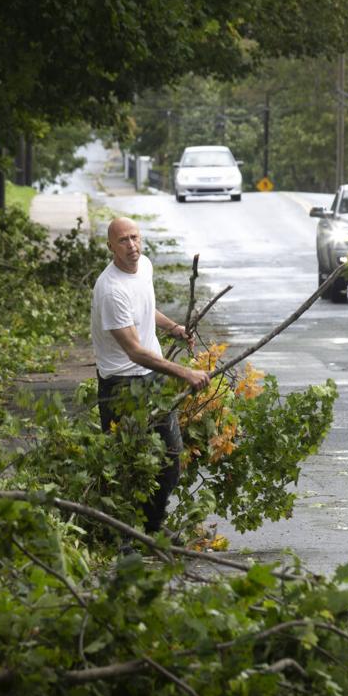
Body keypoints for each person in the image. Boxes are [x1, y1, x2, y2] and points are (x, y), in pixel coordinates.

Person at [90, 216, 208, 538]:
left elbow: (145, 307)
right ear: (110, 247)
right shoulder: (111, 290)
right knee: (125, 466)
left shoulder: (145, 267)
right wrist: (185, 373)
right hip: (121, 385)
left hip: (150, 378)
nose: (132, 246)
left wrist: (173, 328)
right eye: (123, 241)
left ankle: (150, 528)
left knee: (170, 459)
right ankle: (122, 534)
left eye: (135, 238)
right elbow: (135, 351)